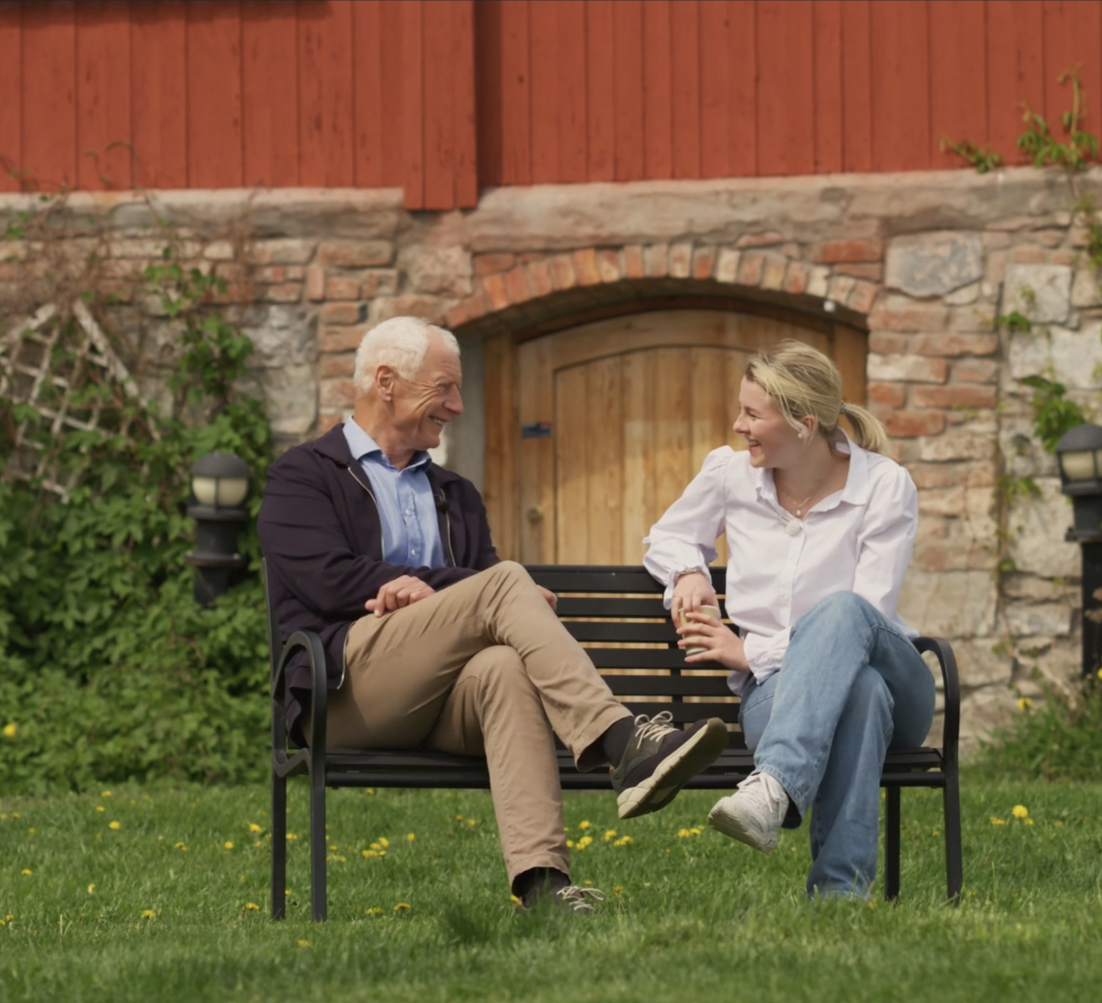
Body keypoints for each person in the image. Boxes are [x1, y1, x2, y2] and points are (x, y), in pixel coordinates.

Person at [259, 316, 728, 914]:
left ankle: (543, 886)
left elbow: (477, 600)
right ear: (386, 382)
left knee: (506, 664)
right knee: (507, 582)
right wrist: (426, 592)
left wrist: (444, 599)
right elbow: (327, 582)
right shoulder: (303, 475)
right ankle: (622, 740)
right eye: (444, 388)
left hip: (442, 699)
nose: (456, 404)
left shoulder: (456, 492)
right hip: (347, 692)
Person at [643, 340, 931, 899]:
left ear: (803, 423)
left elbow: (870, 618)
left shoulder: (883, 485)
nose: (737, 424)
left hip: (902, 689)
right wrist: (688, 574)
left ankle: (773, 785)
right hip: (777, 697)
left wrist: (750, 653)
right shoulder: (730, 476)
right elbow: (670, 535)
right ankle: (840, 894)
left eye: (753, 414)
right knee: (859, 692)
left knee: (849, 615)